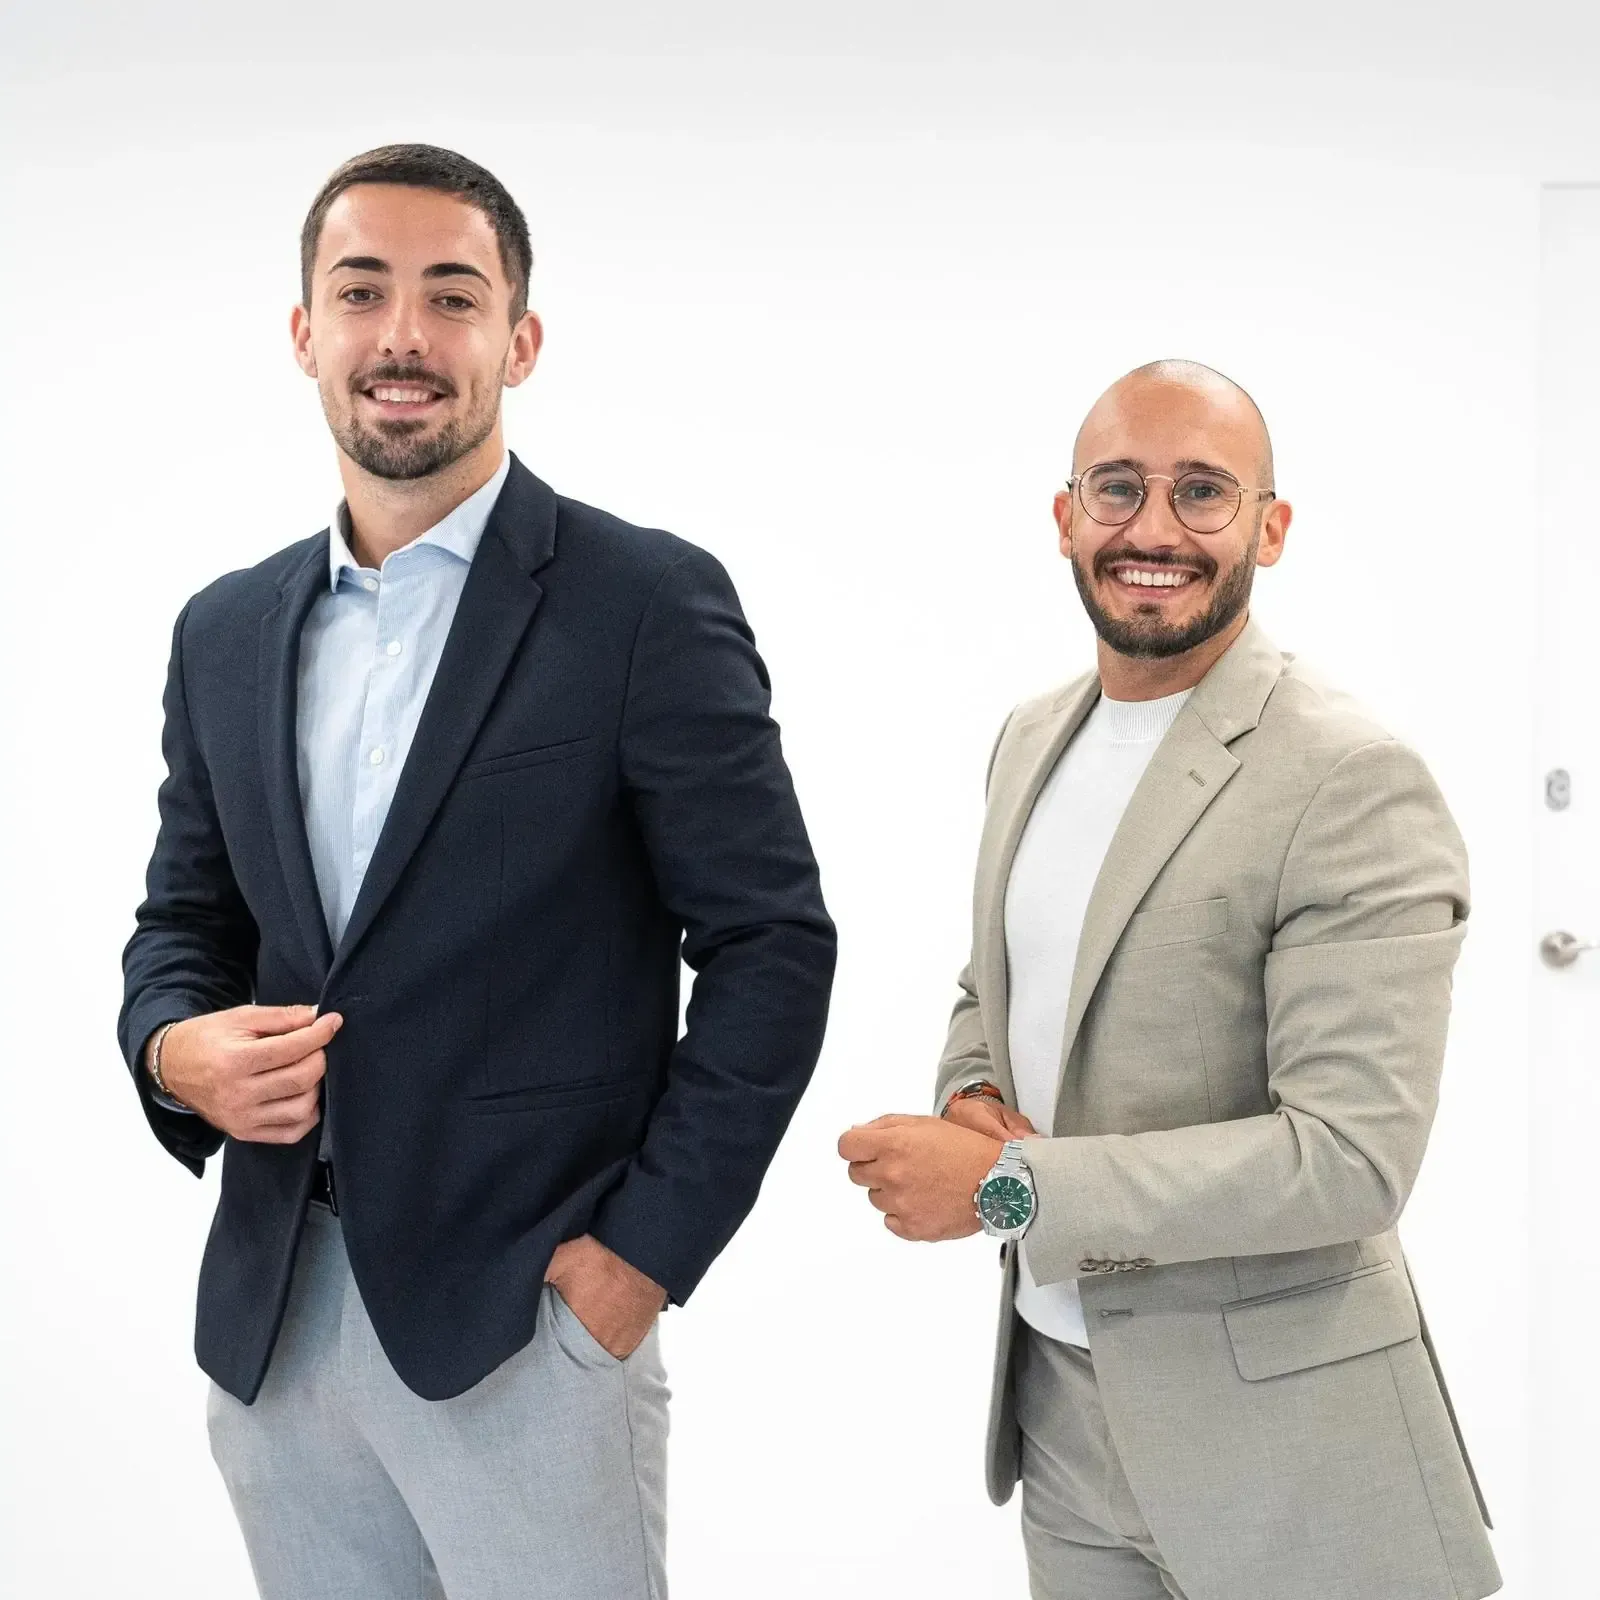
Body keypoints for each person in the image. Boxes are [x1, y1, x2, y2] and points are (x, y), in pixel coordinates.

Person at [117, 142, 835, 1600]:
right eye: (362, 291)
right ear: (305, 332)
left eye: (452, 297)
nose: (403, 337)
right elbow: (184, 921)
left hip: (529, 1325)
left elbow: (771, 945)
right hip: (275, 1320)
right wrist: (171, 1047)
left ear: (520, 339)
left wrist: (636, 1261)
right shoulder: (226, 630)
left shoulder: (642, 603)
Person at [838, 360, 1500, 1600]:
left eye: (1202, 492)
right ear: (1064, 516)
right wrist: (972, 1083)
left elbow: (1349, 1158)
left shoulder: (1348, 776)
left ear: (1270, 526)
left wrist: (1005, 1192)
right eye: (1118, 487)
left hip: (1289, 1451)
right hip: (1064, 1417)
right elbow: (999, 976)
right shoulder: (1033, 735)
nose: (1152, 529)